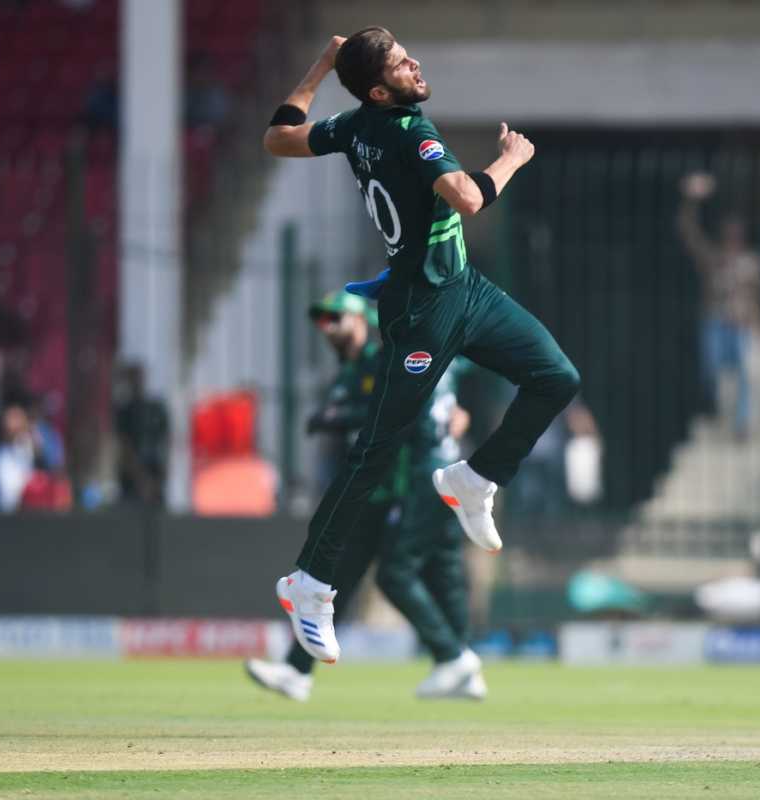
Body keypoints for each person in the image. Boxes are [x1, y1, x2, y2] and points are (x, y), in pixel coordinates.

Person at [263, 28, 580, 664]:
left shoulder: (354, 125)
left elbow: (280, 137)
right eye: (400, 63)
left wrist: (322, 64)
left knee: (556, 377)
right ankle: (309, 581)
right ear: (381, 90)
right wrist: (513, 158)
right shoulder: (410, 129)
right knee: (375, 451)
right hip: (421, 313)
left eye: (407, 54)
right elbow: (468, 199)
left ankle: (475, 477)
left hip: (465, 290)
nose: (415, 63)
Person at [246, 291, 485, 700]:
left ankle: (455, 659)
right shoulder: (349, 371)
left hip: (400, 487)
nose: (328, 328)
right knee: (339, 577)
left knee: (417, 572)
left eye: (336, 318)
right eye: (323, 321)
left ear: (361, 320)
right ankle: (297, 670)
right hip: (375, 493)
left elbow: (412, 401)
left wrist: (454, 410)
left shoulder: (384, 358)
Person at [677, 172, 760, 440]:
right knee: (711, 369)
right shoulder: (713, 258)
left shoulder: (751, 262)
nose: (732, 234)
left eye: (737, 231)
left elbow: (758, 297)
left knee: (746, 376)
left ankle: (742, 423)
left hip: (741, 323)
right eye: (729, 230)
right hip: (715, 321)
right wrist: (690, 201)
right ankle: (714, 409)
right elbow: (688, 232)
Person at [113, 363, 169, 507]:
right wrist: (142, 480)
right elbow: (124, 447)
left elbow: (166, 444)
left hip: (154, 479)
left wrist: (157, 481)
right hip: (132, 483)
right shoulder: (124, 410)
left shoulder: (156, 408)